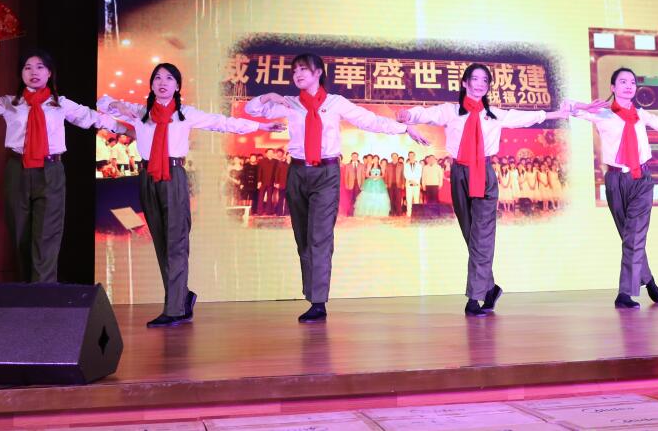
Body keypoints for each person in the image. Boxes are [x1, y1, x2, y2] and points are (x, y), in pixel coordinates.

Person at [244, 53, 428, 323]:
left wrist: (404, 129)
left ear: (318, 72)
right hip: (297, 172)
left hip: (326, 173)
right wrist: (268, 96)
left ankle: (318, 302)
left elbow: (370, 120)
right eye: (294, 71)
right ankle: (311, 292)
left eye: (303, 69)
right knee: (303, 238)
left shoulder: (335, 103)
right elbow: (251, 110)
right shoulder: (290, 103)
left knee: (320, 236)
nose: (297, 74)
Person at [98, 63, 284, 327]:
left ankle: (175, 309)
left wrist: (260, 127)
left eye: (169, 78)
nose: (163, 82)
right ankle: (182, 297)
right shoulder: (140, 112)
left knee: (176, 242)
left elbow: (223, 123)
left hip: (173, 176)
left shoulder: (186, 114)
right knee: (161, 242)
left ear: (177, 86)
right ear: (151, 85)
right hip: (148, 178)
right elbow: (102, 102)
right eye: (158, 78)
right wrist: (118, 104)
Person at [398, 63, 569, 317]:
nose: (480, 84)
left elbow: (525, 117)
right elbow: (423, 114)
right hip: (459, 173)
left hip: (485, 174)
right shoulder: (450, 111)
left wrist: (557, 114)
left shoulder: (494, 114)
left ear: (488, 87)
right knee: (470, 233)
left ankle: (475, 297)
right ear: (465, 83)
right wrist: (407, 115)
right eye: (475, 79)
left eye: (484, 80)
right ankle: (490, 288)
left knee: (483, 235)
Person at [0, 49, 124, 283]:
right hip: (18, 169)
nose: (33, 72)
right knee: (20, 232)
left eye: (39, 67)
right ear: (21, 74)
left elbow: (92, 117)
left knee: (47, 234)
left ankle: (43, 292)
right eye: (27, 68)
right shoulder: (9, 103)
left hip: (50, 170)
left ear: (49, 73)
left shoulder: (60, 104)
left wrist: (128, 130)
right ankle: (28, 290)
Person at [569, 67, 658, 308]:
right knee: (628, 236)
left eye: (632, 82)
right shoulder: (603, 114)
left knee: (635, 236)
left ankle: (625, 293)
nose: (629, 86)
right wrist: (583, 106)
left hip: (642, 180)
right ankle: (648, 279)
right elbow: (567, 107)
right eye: (623, 82)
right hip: (616, 181)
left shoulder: (640, 114)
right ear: (613, 88)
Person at [404, 151, 423, 217]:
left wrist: (415, 182)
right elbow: (405, 174)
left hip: (416, 184)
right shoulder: (406, 165)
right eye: (410, 155)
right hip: (409, 184)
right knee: (408, 199)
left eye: (412, 155)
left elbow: (419, 174)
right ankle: (409, 213)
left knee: (416, 199)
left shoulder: (419, 165)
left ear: (414, 156)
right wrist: (410, 180)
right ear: (408, 156)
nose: (411, 157)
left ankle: (416, 213)